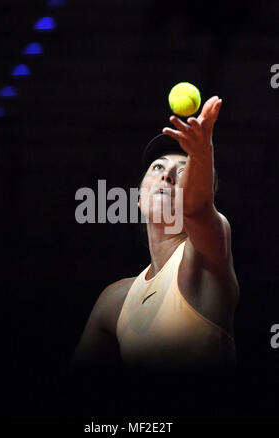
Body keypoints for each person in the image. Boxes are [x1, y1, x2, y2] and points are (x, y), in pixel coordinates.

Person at [72, 96, 239, 373]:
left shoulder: (206, 257)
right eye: (158, 167)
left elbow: (197, 208)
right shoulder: (115, 300)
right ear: (138, 198)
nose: (167, 175)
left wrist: (201, 153)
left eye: (183, 172)